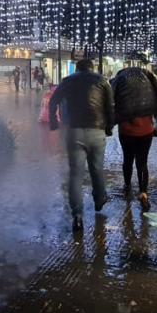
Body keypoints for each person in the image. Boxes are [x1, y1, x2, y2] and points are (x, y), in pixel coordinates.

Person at [48, 59, 115, 231]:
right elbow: (110, 106)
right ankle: (99, 201)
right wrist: (109, 127)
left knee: (76, 175)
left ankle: (77, 216)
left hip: (74, 131)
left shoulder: (68, 81)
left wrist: (54, 123)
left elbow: (53, 100)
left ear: (77, 69)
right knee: (97, 169)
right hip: (97, 131)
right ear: (92, 68)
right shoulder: (102, 81)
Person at [110, 66, 157, 210]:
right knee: (142, 162)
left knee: (127, 159)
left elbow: (109, 101)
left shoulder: (118, 79)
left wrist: (108, 125)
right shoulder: (149, 77)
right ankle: (143, 193)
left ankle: (127, 186)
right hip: (146, 129)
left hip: (126, 129)